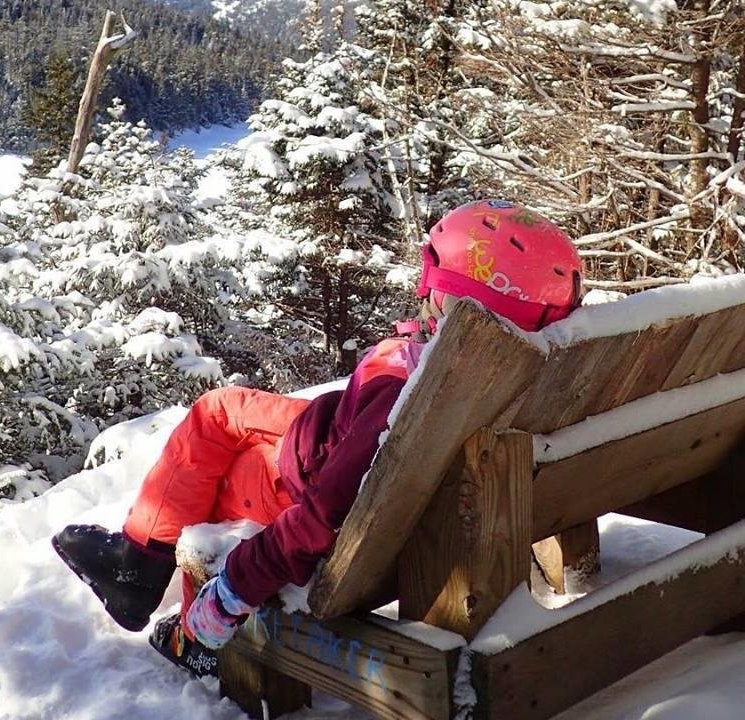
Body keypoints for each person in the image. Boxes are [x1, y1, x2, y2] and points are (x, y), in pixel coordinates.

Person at [52, 199, 583, 677]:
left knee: (216, 466)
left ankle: (162, 597)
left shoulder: (401, 391)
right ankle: (139, 559)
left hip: (312, 469)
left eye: (433, 279)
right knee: (219, 408)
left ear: (450, 296)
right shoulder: (515, 372)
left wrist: (231, 593)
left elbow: (324, 515)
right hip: (335, 430)